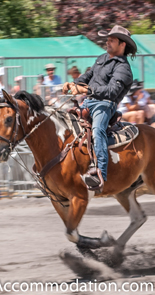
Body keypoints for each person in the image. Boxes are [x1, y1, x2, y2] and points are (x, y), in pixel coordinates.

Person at [62, 25, 136, 191]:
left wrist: (87, 90)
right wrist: (73, 84)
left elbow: (111, 91)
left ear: (122, 44)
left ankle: (100, 173)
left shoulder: (123, 68)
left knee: (97, 130)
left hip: (105, 105)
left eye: (112, 40)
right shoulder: (101, 58)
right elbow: (87, 77)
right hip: (88, 102)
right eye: (107, 39)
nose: (107, 42)